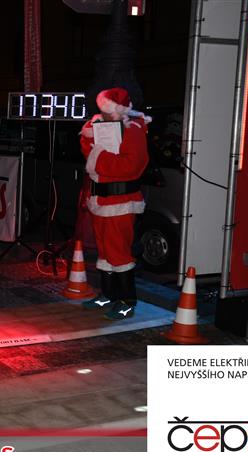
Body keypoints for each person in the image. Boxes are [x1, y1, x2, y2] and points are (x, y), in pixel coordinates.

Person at [79, 87, 151, 320]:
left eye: (108, 111)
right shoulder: (100, 125)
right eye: (102, 110)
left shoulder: (133, 130)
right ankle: (108, 295)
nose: (104, 114)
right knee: (104, 251)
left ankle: (127, 301)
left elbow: (131, 166)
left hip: (121, 202)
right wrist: (92, 142)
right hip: (100, 201)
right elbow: (86, 148)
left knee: (119, 252)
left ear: (120, 111)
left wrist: (98, 155)